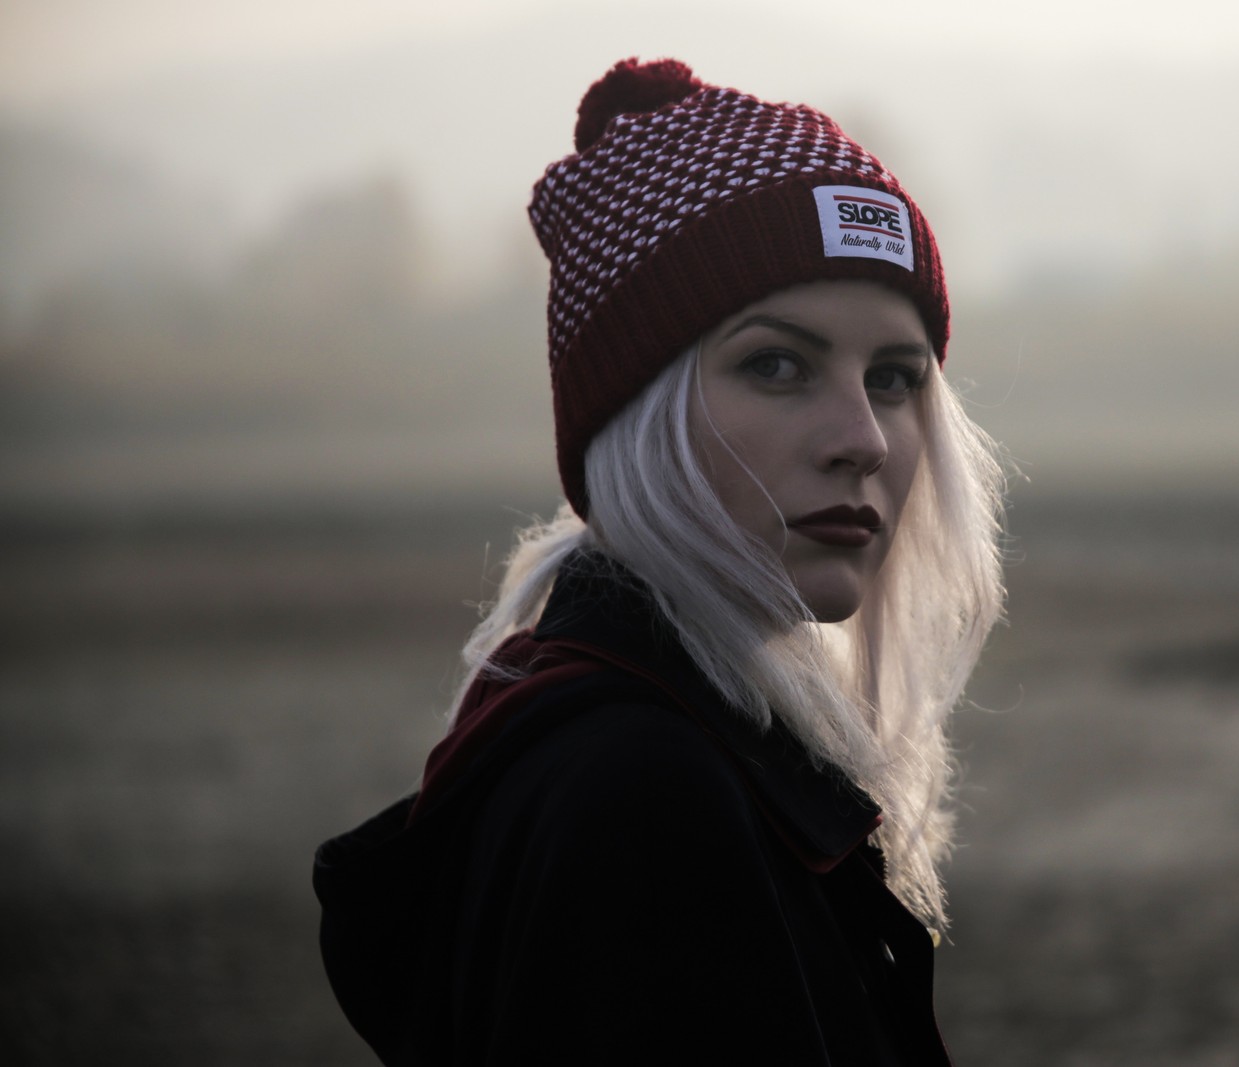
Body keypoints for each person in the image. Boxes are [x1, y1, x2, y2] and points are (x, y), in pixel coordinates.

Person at [314, 57, 1007, 1065]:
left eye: (896, 377)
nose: (862, 436)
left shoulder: (640, 741)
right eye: (777, 363)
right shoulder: (643, 795)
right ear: (637, 414)